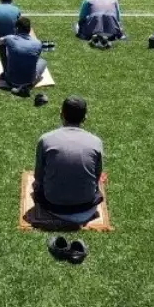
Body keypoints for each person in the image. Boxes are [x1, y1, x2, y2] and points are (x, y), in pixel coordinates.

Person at [32, 96, 104, 225]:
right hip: (86, 205)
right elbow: (97, 177)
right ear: (85, 118)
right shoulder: (96, 142)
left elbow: (38, 176)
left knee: (37, 188)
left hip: (53, 205)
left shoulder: (45, 139)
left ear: (61, 114)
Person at [0, 16, 48, 94]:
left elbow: (0, 40)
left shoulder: (10, 39)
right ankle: (26, 86)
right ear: (29, 29)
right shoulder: (38, 43)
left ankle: (5, 73)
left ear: (17, 29)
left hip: (10, 81)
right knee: (43, 61)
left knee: (2, 47)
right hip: (30, 81)